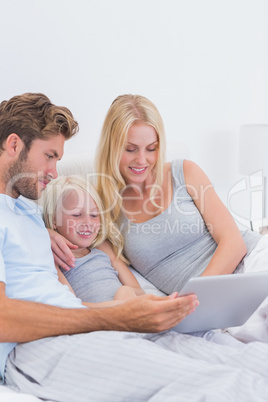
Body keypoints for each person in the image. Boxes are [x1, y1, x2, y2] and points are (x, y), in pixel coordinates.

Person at [2, 93, 268, 401]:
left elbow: (234, 242)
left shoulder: (27, 213)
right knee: (223, 381)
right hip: (59, 338)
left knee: (250, 364)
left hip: (246, 264)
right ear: (13, 145)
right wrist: (118, 314)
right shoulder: (96, 207)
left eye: (151, 148)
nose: (55, 172)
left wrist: (44, 230)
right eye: (49, 156)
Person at [92, 94, 268, 343]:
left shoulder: (184, 172)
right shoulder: (103, 209)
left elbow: (234, 242)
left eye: (151, 149)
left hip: (252, 262)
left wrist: (196, 297)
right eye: (130, 149)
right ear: (112, 146)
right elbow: (124, 280)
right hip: (211, 305)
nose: (142, 160)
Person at [43, 175, 144, 304]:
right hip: (99, 318)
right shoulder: (54, 257)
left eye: (94, 215)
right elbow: (71, 306)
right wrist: (117, 307)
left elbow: (138, 291)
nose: (88, 222)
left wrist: (125, 295)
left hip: (129, 310)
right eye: (76, 214)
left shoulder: (102, 247)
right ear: (54, 219)